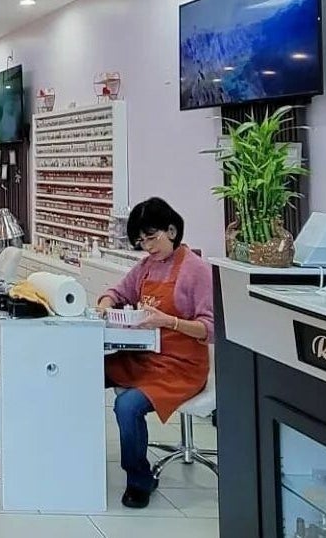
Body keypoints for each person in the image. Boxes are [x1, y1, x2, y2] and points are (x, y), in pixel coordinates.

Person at [96, 197, 213, 509]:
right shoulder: (146, 267)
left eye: (152, 238)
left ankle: (139, 479)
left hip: (180, 367)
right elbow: (117, 292)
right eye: (141, 241)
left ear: (171, 231)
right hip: (145, 357)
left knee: (127, 406)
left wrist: (169, 321)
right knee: (84, 371)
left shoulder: (196, 271)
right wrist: (106, 305)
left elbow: (210, 329)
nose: (147, 247)